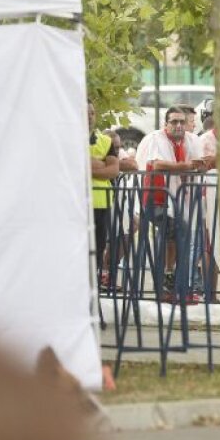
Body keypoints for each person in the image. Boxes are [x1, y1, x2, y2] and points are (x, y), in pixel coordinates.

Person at [136, 105, 206, 303]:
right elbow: (158, 164)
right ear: (165, 124)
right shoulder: (155, 138)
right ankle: (170, 282)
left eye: (182, 122)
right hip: (155, 198)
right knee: (178, 231)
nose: (178, 125)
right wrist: (187, 166)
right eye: (174, 122)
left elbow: (199, 164)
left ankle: (173, 283)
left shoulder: (192, 139)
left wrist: (199, 166)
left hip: (180, 199)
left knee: (179, 235)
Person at [89, 104, 121, 310]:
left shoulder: (105, 141)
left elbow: (114, 170)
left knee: (98, 253)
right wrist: (100, 164)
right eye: (85, 112)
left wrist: (94, 166)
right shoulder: (69, 138)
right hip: (78, 206)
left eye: (92, 112)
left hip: (102, 204)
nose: (90, 117)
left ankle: (94, 301)